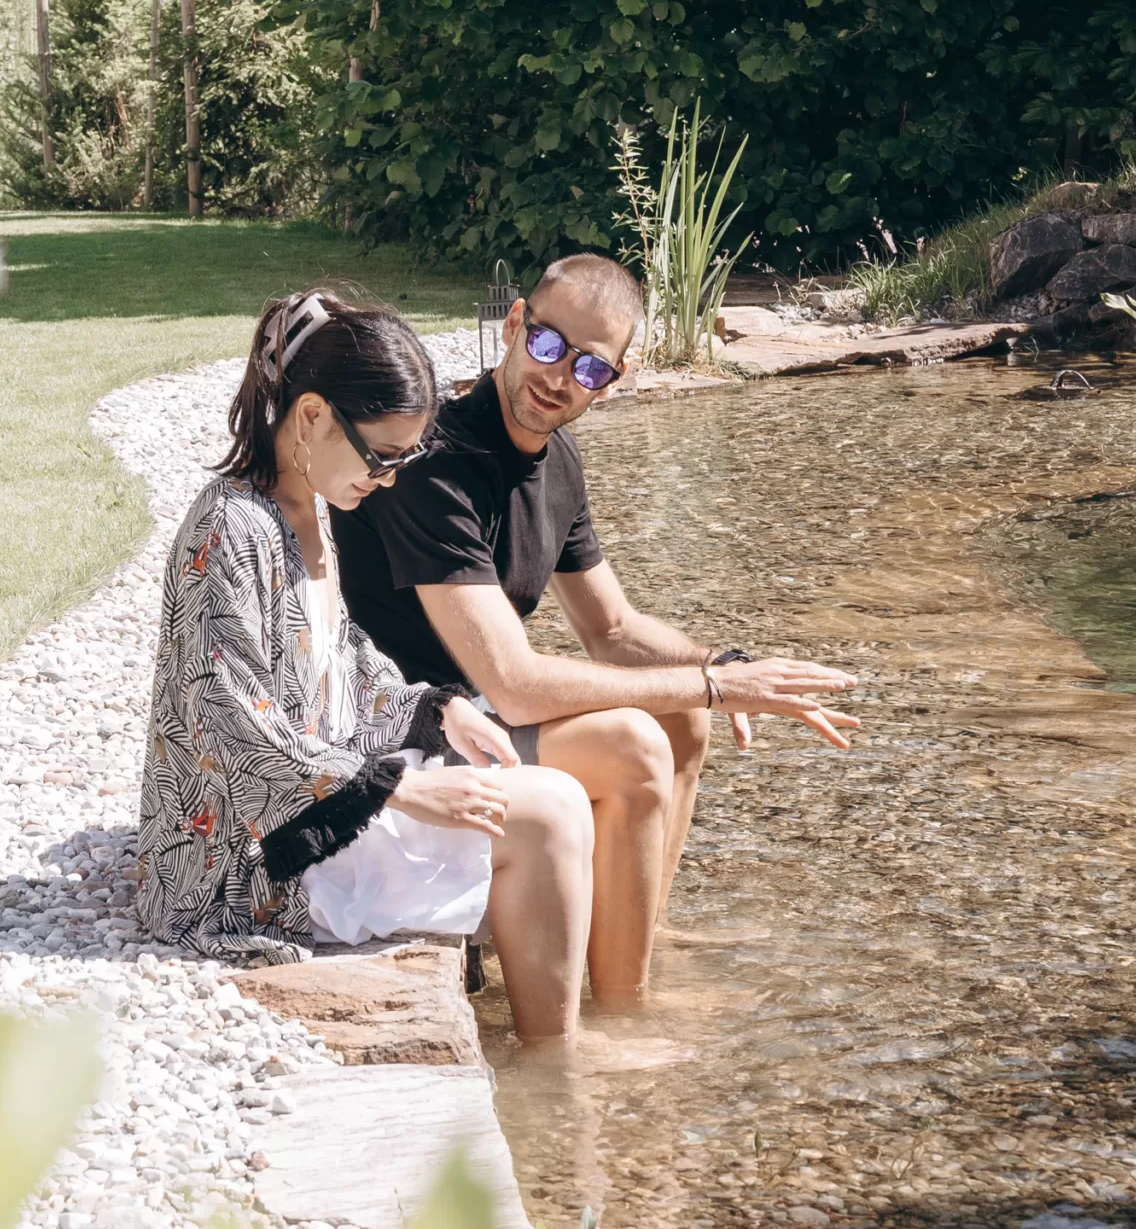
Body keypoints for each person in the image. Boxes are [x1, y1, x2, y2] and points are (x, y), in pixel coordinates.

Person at [331, 252, 859, 1007]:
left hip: (475, 719)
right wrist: (713, 684)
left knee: (682, 723)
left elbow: (611, 627)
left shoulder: (556, 461)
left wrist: (728, 667)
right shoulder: (433, 463)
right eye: (548, 346)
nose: (558, 378)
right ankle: (623, 1011)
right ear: (515, 324)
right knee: (635, 742)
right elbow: (511, 686)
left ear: (613, 380)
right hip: (404, 727)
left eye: (589, 369)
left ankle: (636, 936)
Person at [131, 288, 598, 1043]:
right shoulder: (226, 528)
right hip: (240, 867)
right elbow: (233, 728)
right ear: (312, 416)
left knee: (560, 797)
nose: (387, 481)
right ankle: (555, 1059)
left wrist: (436, 708)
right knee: (543, 817)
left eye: (406, 460)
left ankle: (555, 1044)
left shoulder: (304, 506)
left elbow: (342, 658)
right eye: (382, 457)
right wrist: (402, 791)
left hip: (309, 807)